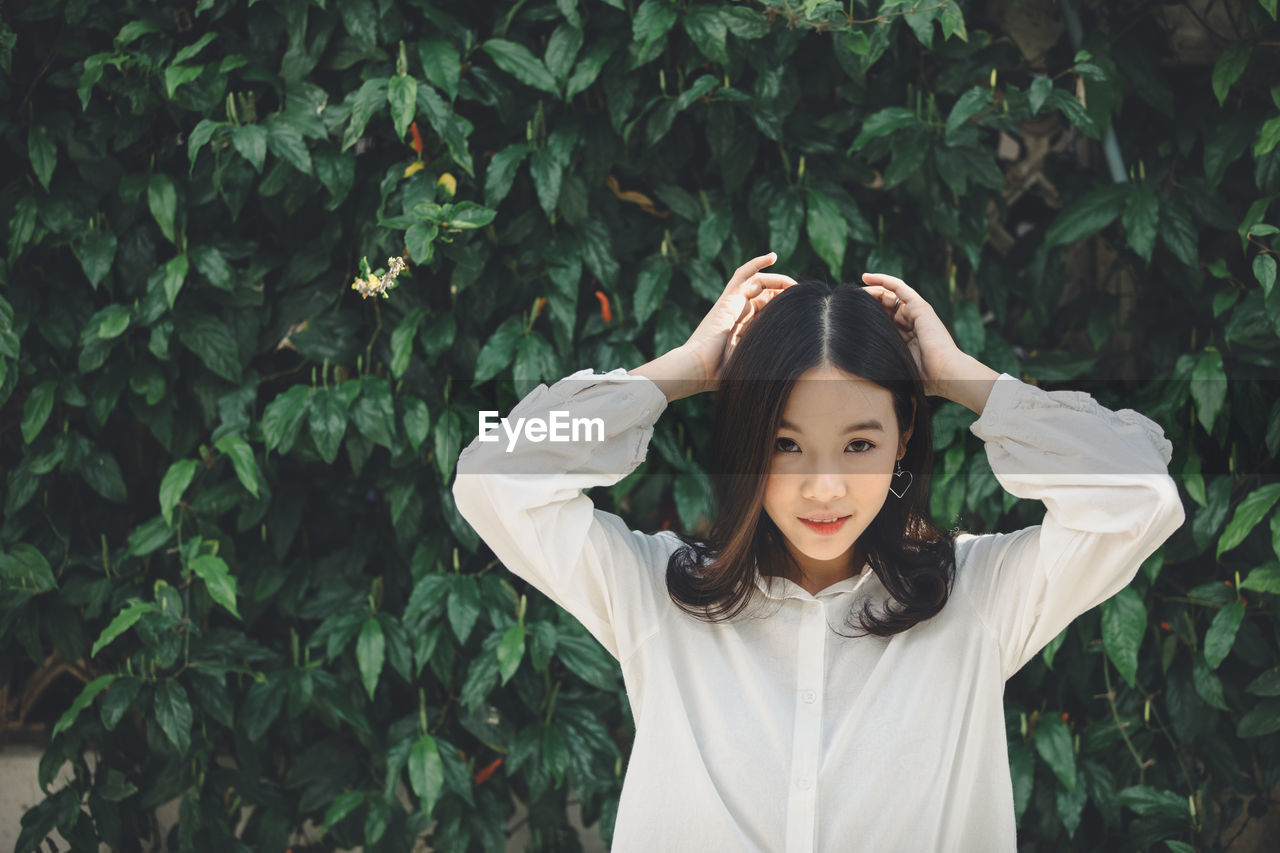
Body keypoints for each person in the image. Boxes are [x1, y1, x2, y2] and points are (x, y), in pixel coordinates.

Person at [451, 253, 1185, 852]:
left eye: (860, 443)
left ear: (903, 444)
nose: (824, 485)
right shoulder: (657, 594)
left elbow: (1142, 491)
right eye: (784, 444)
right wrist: (682, 369)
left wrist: (963, 379)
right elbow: (492, 470)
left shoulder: (979, 598)